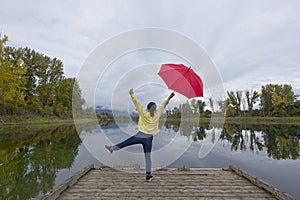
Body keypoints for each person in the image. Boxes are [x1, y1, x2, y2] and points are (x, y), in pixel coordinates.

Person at [105, 88, 175, 182]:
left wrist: (132, 95)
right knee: (147, 157)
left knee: (126, 142)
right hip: (149, 138)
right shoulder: (158, 114)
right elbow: (163, 105)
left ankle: (112, 148)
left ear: (147, 108)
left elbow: (137, 103)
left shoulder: (144, 113)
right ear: (154, 109)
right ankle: (148, 176)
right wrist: (169, 98)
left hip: (140, 135)